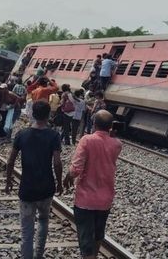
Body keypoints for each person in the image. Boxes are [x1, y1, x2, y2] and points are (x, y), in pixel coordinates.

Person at [5, 101, 63, 259]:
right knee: (44, 220)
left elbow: (10, 161)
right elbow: (57, 162)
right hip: (46, 188)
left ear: (32, 114)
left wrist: (8, 180)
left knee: (26, 229)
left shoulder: (22, 134)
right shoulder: (54, 136)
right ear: (48, 115)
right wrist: (60, 183)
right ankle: (39, 254)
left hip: (27, 189)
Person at [63, 110, 122, 259]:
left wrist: (68, 176)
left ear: (94, 124)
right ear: (110, 126)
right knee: (98, 234)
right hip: (105, 200)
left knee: (86, 242)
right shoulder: (117, 144)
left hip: (86, 199)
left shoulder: (87, 140)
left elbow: (76, 169)